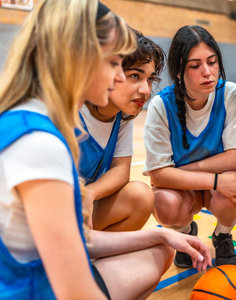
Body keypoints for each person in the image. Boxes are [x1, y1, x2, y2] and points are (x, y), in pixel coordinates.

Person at [0, 1, 211, 299]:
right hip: (32, 289)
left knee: (159, 245)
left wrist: (160, 232)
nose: (118, 76)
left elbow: (77, 238)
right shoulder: (39, 143)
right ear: (78, 57)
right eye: (114, 62)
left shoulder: (29, 119)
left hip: (36, 273)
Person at [144, 25, 236, 268]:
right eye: (195, 66)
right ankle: (185, 233)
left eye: (212, 62)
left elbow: (235, 160)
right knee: (163, 202)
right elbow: (158, 175)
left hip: (213, 187)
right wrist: (214, 180)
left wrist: (174, 173)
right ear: (179, 72)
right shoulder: (161, 106)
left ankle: (222, 235)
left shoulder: (230, 94)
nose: (207, 72)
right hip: (193, 190)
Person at [78, 29, 165, 231]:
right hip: (44, 209)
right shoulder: (73, 109)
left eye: (150, 79)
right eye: (135, 75)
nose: (146, 90)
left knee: (141, 197)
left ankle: (90, 254)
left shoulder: (123, 114)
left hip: (79, 205)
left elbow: (121, 170)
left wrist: (89, 194)